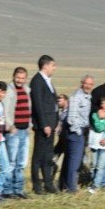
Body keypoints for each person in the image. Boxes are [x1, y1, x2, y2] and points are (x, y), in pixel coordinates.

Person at [30, 55, 59, 194]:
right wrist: (44, 124)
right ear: (45, 65)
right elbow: (38, 105)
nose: (54, 68)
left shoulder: (48, 81)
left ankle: (48, 183)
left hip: (51, 125)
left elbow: (52, 104)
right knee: (38, 156)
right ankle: (36, 185)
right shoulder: (37, 81)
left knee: (48, 156)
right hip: (43, 126)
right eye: (53, 65)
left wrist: (56, 122)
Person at [60, 75, 94, 193]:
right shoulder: (76, 97)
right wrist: (79, 132)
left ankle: (64, 185)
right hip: (75, 132)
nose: (88, 86)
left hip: (82, 132)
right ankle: (71, 188)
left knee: (72, 160)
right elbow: (71, 119)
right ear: (82, 83)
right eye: (86, 83)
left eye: (90, 84)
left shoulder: (88, 97)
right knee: (74, 162)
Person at [2, 67, 31, 198]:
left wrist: (30, 125)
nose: (20, 80)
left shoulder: (27, 90)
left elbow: (29, 109)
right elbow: (5, 109)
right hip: (14, 130)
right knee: (11, 161)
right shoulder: (9, 91)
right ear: (13, 77)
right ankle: (7, 190)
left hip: (25, 130)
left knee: (22, 162)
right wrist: (10, 126)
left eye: (22, 78)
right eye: (18, 78)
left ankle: (18, 189)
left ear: (26, 78)